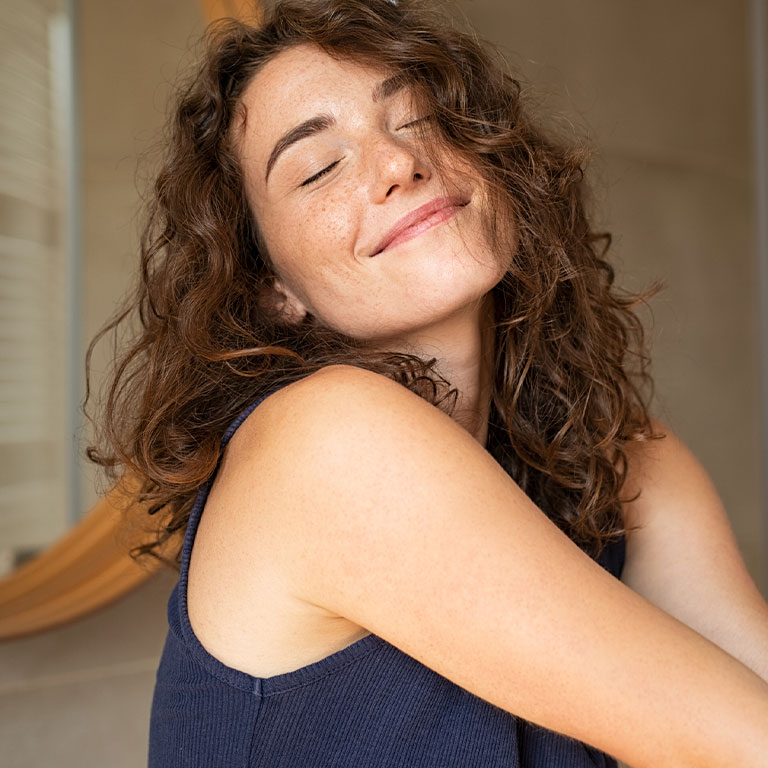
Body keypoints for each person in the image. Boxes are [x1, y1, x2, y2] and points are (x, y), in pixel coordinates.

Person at [84, 0, 768, 765]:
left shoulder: (628, 457)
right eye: (318, 168)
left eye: (415, 119)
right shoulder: (325, 443)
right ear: (274, 288)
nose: (398, 164)